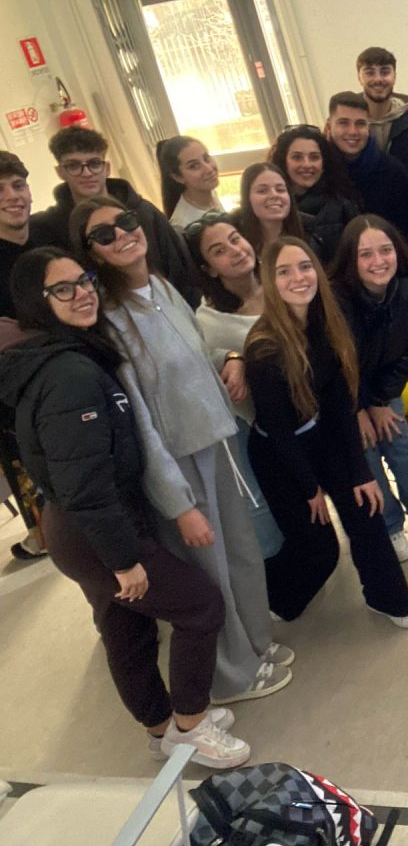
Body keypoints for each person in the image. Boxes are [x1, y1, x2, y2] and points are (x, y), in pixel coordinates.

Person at [0, 247, 250, 767]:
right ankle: (192, 726)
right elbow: (84, 483)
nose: (82, 293)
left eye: (85, 280)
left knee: (126, 628)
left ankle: (160, 730)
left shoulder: (65, 356)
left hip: (79, 528)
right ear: (37, 303)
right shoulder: (68, 374)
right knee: (199, 605)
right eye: (62, 288)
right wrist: (122, 558)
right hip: (94, 529)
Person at [70, 196, 293, 704]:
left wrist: (231, 356)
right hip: (178, 461)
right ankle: (230, 677)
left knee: (241, 556)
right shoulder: (111, 319)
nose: (121, 235)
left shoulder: (163, 288)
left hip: (218, 440)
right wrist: (177, 503)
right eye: (104, 234)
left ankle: (255, 645)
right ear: (93, 253)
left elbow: (194, 353)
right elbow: (140, 420)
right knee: (211, 572)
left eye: (125, 222)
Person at [244, 237, 408, 626]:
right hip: (280, 454)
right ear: (271, 282)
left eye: (305, 267)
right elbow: (279, 430)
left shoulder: (329, 324)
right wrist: (311, 488)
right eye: (284, 271)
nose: (298, 278)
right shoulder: (263, 349)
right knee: (320, 549)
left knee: (366, 507)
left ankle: (388, 598)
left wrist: (361, 471)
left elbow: (342, 404)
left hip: (322, 433)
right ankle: (273, 600)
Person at [332, 215, 408, 562]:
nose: (378, 261)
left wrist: (381, 401)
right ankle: (391, 525)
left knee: (399, 444)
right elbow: (336, 365)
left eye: (386, 250)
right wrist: (357, 409)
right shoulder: (335, 299)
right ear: (351, 259)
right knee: (366, 453)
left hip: (387, 386)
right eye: (365, 254)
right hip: (346, 392)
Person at [184, 214, 284, 563]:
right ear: (209, 269)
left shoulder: (282, 281)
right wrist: (237, 359)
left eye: (235, 238)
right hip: (265, 429)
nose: (235, 250)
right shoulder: (209, 322)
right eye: (218, 250)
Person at [31, 126, 197, 304]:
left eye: (94, 163)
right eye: (73, 166)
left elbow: (180, 272)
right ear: (60, 172)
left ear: (107, 168)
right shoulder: (49, 229)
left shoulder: (144, 212)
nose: (86, 173)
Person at [0, 151, 47, 561]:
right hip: (16, 398)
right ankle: (43, 534)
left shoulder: (50, 239)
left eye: (18, 185)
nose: (12, 196)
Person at [326, 91, 408, 259]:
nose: (353, 131)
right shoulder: (320, 172)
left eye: (360, 124)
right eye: (343, 123)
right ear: (329, 127)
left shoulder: (392, 172)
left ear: (368, 127)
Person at [268, 126, 357, 264]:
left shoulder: (343, 206)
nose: (306, 164)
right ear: (283, 161)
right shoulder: (271, 210)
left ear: (324, 163)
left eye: (314, 157)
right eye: (297, 157)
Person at [234, 161, 327, 265]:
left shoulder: (310, 234)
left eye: (280, 189)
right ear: (247, 198)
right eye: (262, 191)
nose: (274, 195)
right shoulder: (236, 243)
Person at [356, 46, 408, 171]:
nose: (378, 79)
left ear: (394, 76)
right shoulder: (347, 123)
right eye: (370, 73)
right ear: (359, 77)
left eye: (385, 72)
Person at [158, 136, 224, 229]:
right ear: (178, 177)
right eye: (194, 166)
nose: (209, 169)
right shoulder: (181, 225)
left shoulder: (210, 193)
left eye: (206, 158)